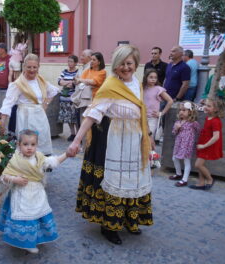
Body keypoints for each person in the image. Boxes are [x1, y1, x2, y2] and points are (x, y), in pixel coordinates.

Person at [67, 45, 153, 245]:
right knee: (116, 181)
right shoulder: (110, 85)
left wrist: (149, 139)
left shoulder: (137, 84)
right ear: (115, 65)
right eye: (122, 63)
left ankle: (131, 220)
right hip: (116, 140)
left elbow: (141, 113)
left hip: (135, 141)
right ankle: (109, 226)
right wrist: (77, 140)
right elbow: (92, 114)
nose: (126, 67)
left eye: (129, 63)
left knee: (134, 179)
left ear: (136, 64)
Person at [0, 129, 68, 254]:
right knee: (25, 216)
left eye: (33, 145)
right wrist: (15, 179)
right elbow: (4, 176)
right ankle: (26, 242)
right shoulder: (15, 159)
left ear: (37, 145)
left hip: (36, 193)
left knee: (38, 214)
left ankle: (38, 237)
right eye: (25, 144)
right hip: (20, 193)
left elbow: (52, 162)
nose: (29, 148)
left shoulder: (39, 158)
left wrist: (67, 154)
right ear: (19, 145)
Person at [0, 54, 60, 156]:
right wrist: (3, 121)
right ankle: (27, 168)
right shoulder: (18, 84)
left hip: (40, 117)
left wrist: (46, 104)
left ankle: (41, 164)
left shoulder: (41, 81)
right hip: (25, 117)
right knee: (27, 145)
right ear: (24, 67)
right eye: (29, 67)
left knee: (41, 140)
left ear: (38, 67)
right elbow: (8, 103)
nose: (32, 70)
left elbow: (54, 91)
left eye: (34, 67)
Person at [190, 98, 225, 190]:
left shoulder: (216, 121)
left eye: (209, 106)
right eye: (206, 105)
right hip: (203, 144)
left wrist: (204, 145)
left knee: (198, 165)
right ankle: (201, 183)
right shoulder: (208, 118)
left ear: (216, 109)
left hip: (208, 146)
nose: (205, 107)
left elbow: (216, 136)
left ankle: (210, 179)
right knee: (200, 164)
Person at [169, 101, 200, 187]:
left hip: (187, 145)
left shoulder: (193, 123)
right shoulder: (178, 122)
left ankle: (184, 179)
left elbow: (198, 131)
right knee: (174, 158)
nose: (181, 112)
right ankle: (178, 174)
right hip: (178, 144)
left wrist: (194, 140)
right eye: (180, 110)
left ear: (190, 111)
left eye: (184, 110)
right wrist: (176, 128)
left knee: (186, 161)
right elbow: (173, 132)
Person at [143, 69, 173, 139]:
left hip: (152, 118)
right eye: (151, 77)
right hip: (141, 117)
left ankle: (149, 150)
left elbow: (170, 101)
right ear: (146, 77)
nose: (153, 79)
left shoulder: (158, 89)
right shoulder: (142, 88)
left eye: (155, 77)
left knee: (148, 138)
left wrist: (161, 113)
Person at [58, 55, 79, 141]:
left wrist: (66, 82)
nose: (69, 63)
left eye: (71, 61)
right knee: (68, 118)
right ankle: (72, 134)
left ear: (75, 63)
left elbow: (75, 83)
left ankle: (78, 135)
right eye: (68, 61)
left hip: (73, 99)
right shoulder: (64, 71)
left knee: (75, 118)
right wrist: (69, 82)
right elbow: (59, 81)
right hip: (64, 98)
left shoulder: (78, 72)